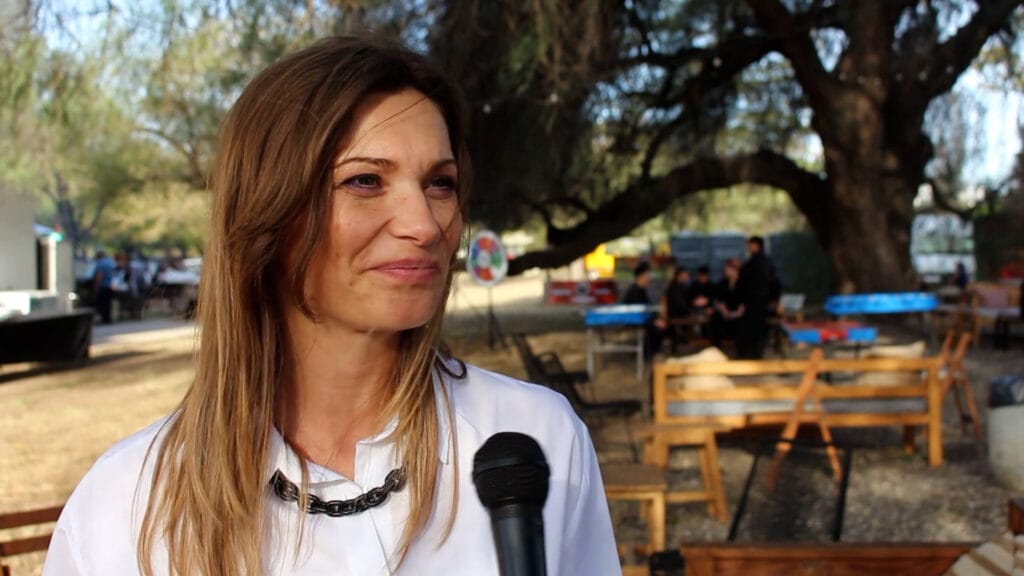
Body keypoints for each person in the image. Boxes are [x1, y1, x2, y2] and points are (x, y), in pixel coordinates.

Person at [43, 36, 620, 576]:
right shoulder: (125, 507)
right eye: (365, 181)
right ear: (267, 212)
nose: (424, 225)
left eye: (440, 183)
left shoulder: (536, 440)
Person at [736, 235, 778, 359]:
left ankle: (752, 353)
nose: (748, 248)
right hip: (759, 299)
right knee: (755, 327)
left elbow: (745, 277)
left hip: (755, 299)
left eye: (750, 245)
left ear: (756, 245)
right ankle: (754, 352)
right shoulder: (764, 261)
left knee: (753, 327)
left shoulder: (757, 262)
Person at [710, 258, 744, 352]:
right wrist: (723, 310)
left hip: (739, 314)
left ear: (735, 270)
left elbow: (744, 303)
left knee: (743, 322)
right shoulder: (722, 283)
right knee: (715, 317)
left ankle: (741, 350)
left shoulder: (743, 283)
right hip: (726, 313)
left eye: (727, 269)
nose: (725, 271)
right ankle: (716, 348)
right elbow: (718, 300)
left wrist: (736, 313)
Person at [661, 266, 693, 352]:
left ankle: (681, 341)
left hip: (679, 312)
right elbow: (678, 303)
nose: (687, 276)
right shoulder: (674, 286)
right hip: (674, 313)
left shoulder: (681, 285)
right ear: (680, 275)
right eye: (685, 274)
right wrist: (689, 310)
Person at [91, 250, 117, 324]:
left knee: (103, 303)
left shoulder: (100, 263)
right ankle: (108, 318)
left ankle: (105, 319)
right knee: (108, 303)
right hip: (112, 286)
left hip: (104, 286)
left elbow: (99, 276)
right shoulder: (111, 262)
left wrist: (96, 287)